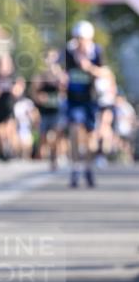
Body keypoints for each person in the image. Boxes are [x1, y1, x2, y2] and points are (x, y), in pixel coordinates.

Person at [63, 20, 107, 188]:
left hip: (90, 99)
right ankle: (75, 168)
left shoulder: (96, 52)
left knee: (90, 137)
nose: (80, 42)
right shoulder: (68, 51)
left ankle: (88, 167)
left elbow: (104, 72)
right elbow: (59, 69)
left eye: (82, 39)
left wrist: (89, 68)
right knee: (75, 131)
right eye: (78, 38)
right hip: (74, 99)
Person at [30, 48, 67, 169]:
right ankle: (43, 155)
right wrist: (39, 98)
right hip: (44, 111)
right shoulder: (40, 76)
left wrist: (60, 81)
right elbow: (33, 92)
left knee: (55, 135)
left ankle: (54, 157)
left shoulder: (60, 75)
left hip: (56, 110)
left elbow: (65, 90)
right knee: (43, 137)